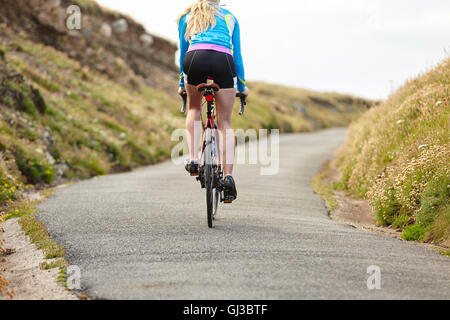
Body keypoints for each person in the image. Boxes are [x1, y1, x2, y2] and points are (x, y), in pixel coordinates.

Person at [177, 0, 248, 203]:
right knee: (224, 122)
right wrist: (242, 87)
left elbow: (183, 53)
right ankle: (228, 177)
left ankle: (193, 159)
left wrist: (183, 83)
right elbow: (237, 56)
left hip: (194, 59)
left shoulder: (187, 16)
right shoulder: (230, 17)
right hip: (223, 61)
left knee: (193, 108)